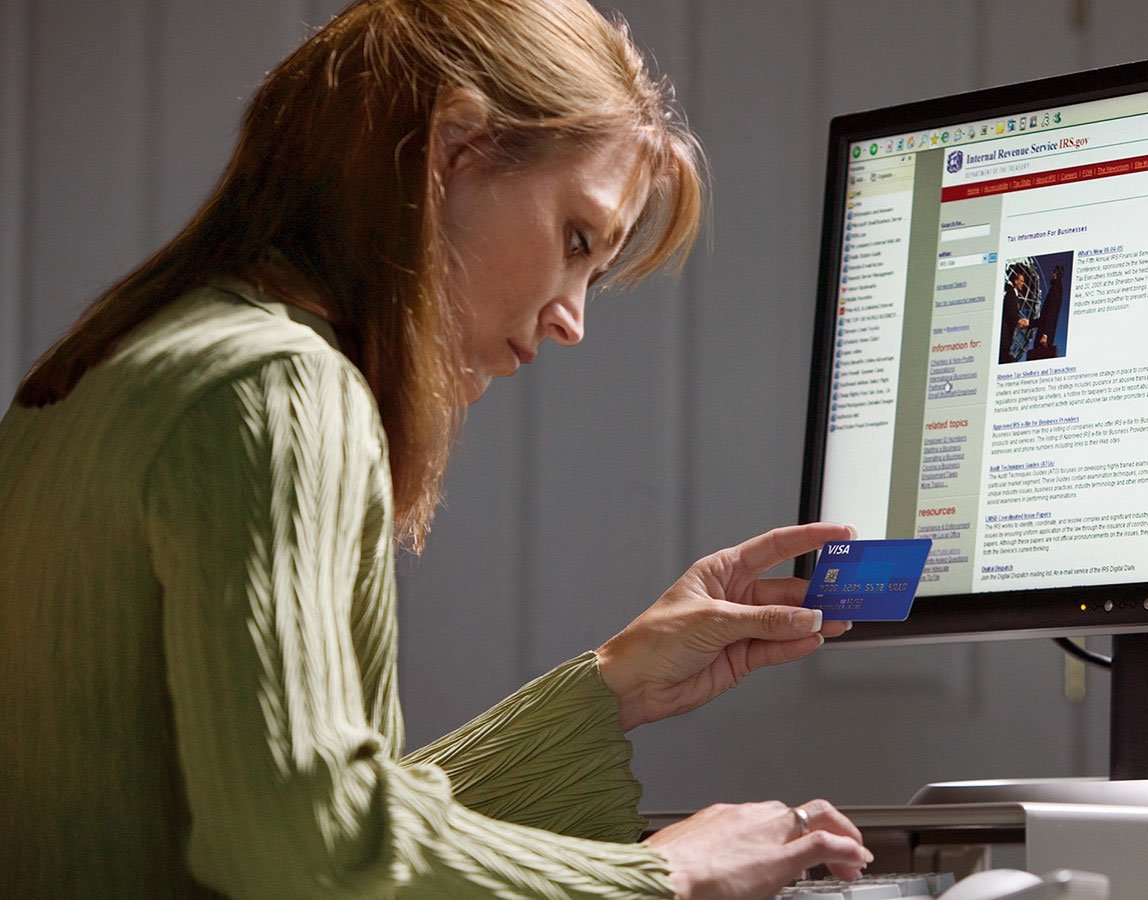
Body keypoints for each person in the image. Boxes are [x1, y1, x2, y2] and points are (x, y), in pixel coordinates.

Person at [0, 1, 870, 896]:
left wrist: (612, 688)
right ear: (450, 150)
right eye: (577, 239)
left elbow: (302, 813)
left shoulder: (113, 373)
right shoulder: (279, 391)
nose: (572, 319)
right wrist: (661, 876)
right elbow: (307, 852)